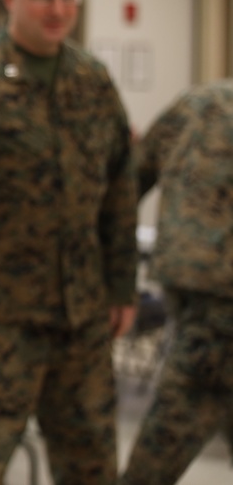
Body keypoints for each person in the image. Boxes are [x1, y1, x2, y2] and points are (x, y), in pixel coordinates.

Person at [0, 0, 139, 484]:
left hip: (82, 315)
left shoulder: (93, 81)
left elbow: (119, 189)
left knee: (93, 464)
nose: (57, 9)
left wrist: (122, 285)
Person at [119, 79, 233, 485]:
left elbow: (127, 181)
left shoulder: (197, 102)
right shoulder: (201, 105)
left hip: (191, 291)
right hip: (218, 306)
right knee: (174, 426)